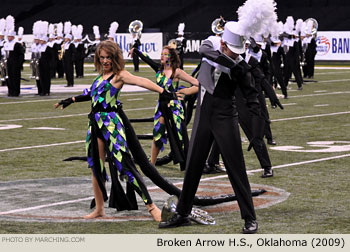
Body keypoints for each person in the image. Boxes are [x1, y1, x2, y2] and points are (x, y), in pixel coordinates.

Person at [54, 40, 179, 220]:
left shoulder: (119, 76)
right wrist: (70, 100)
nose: (105, 61)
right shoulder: (99, 78)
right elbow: (91, 94)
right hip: (95, 125)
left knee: (126, 166)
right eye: (102, 58)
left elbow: (141, 81)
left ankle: (152, 208)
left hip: (112, 125)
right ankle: (99, 209)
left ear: (115, 58)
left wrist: (162, 91)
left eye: (108, 58)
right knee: (96, 167)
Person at [158, 21, 262, 234]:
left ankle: (250, 218)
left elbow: (252, 97)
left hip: (225, 116)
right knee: (193, 165)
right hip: (203, 114)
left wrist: (257, 129)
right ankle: (183, 213)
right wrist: (233, 65)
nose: (236, 55)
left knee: (236, 168)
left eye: (237, 52)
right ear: (223, 44)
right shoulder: (212, 45)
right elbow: (205, 50)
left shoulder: (241, 66)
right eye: (232, 51)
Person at [130, 45, 198, 171]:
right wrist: (136, 51)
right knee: (158, 133)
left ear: (171, 57)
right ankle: (152, 163)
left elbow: (197, 84)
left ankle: (187, 163)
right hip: (161, 106)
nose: (162, 56)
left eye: (165, 54)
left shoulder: (177, 72)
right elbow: (148, 59)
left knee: (180, 134)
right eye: (161, 54)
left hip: (174, 107)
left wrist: (185, 91)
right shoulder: (158, 70)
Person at [2, 15, 25, 97]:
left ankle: (16, 91)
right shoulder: (6, 44)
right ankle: (10, 91)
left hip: (15, 64)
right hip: (8, 63)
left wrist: (19, 64)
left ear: (13, 36)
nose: (9, 37)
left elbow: (21, 55)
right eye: (8, 36)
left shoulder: (17, 44)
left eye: (10, 36)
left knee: (15, 78)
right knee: (8, 78)